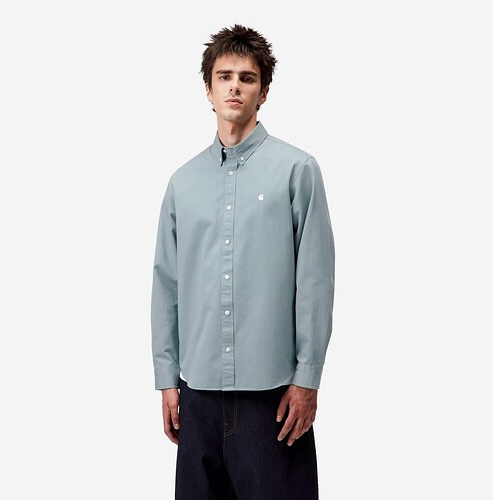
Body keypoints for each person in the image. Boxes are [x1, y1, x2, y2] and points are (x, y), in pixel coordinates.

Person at [151, 24, 335, 499]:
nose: (235, 86)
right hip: (197, 398)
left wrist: (308, 379)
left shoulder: (297, 170)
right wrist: (167, 380)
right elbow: (167, 284)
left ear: (264, 92)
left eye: (247, 78)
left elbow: (315, 281)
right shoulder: (182, 182)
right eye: (225, 76)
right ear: (208, 89)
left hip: (273, 401)